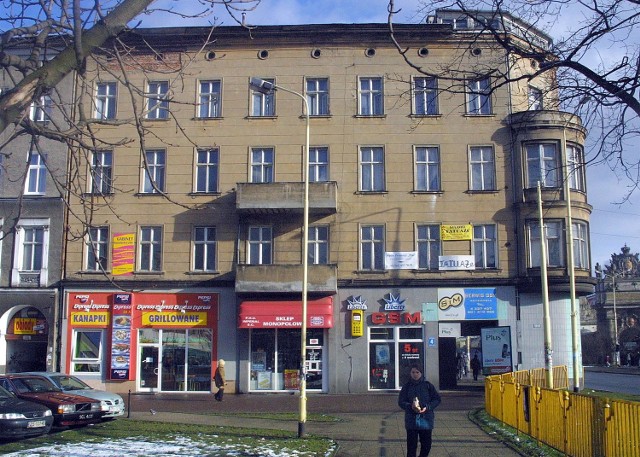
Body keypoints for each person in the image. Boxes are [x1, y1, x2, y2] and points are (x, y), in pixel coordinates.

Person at [398, 364, 441, 457]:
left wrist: (428, 407)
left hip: (426, 420)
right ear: (410, 373)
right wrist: (410, 406)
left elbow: (437, 399)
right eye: (413, 372)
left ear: (421, 373)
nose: (415, 374)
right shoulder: (406, 386)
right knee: (411, 448)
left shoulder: (428, 386)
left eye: (417, 372)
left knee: (426, 446)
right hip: (411, 421)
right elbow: (401, 401)